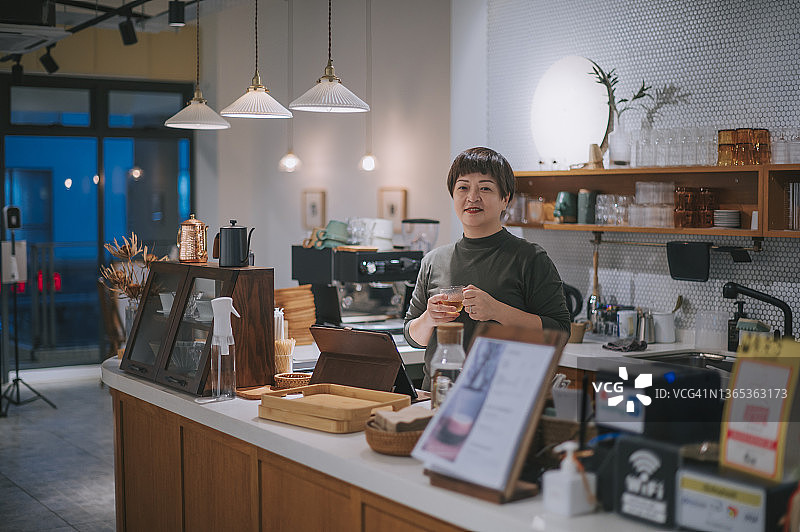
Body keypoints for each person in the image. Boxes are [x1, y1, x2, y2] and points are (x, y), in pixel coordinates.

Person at [403, 147, 570, 390]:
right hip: (438, 395)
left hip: (501, 397)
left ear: (505, 199)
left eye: (485, 188)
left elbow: (560, 332)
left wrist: (497, 311)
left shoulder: (530, 258)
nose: (472, 197)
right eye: (463, 187)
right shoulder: (433, 260)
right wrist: (429, 318)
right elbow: (413, 337)